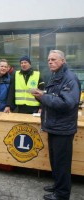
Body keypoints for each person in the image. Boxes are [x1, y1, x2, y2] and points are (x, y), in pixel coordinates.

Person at [32, 50, 80, 200]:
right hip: (54, 126)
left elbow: (67, 103)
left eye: (53, 59)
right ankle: (58, 185)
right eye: (48, 60)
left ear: (63, 61)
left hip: (63, 129)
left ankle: (62, 194)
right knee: (55, 161)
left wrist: (44, 97)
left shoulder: (69, 78)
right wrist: (41, 97)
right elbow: (53, 98)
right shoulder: (55, 76)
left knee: (62, 163)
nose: (50, 62)